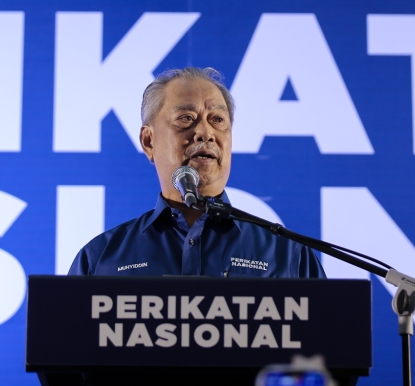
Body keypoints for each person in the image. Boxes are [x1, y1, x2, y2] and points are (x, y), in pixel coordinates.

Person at [68, 67, 325, 278]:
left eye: (218, 120)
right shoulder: (100, 259)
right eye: (186, 118)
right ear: (148, 141)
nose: (205, 133)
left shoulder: (289, 256)